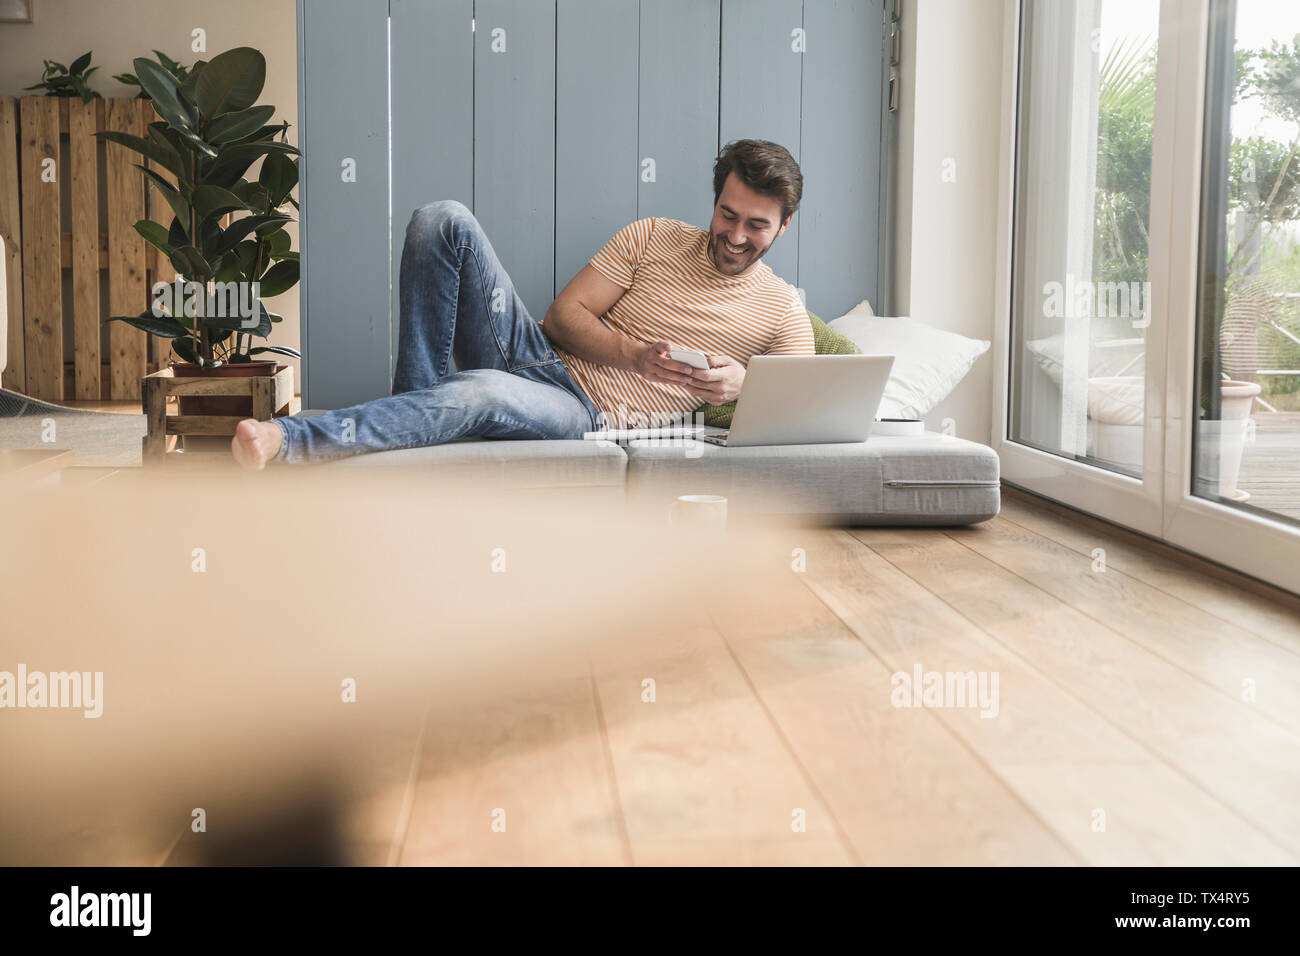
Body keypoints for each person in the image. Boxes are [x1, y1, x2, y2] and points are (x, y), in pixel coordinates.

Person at [231, 138, 814, 469]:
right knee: (442, 219)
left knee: (477, 392)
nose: (735, 236)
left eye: (756, 226)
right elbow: (564, 317)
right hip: (540, 358)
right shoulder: (653, 234)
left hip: (589, 416)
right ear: (715, 201)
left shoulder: (782, 309)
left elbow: (804, 415)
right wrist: (635, 354)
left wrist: (744, 383)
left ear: (784, 227)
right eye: (727, 215)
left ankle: (296, 441)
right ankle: (416, 419)